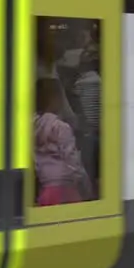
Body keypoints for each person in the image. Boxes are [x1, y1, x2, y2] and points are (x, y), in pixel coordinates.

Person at [34, 77, 92, 206]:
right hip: (66, 190)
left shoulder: (33, 127)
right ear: (55, 99)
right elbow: (72, 161)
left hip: (45, 190)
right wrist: (86, 188)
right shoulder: (61, 128)